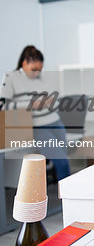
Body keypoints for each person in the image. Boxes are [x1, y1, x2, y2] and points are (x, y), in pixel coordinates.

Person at [1, 45, 71, 181]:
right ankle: (66, 199)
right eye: (34, 70)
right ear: (24, 63)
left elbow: (56, 100)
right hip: (36, 127)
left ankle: (66, 195)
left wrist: (51, 101)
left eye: (40, 70)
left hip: (55, 121)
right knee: (62, 163)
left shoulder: (43, 77)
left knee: (64, 161)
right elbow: (3, 105)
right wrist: (31, 105)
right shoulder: (11, 77)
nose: (37, 74)